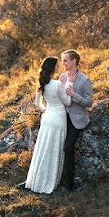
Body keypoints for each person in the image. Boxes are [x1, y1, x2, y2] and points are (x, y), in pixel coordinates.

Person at [24, 57, 72, 194]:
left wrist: (47, 110)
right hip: (58, 118)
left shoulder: (42, 83)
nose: (59, 67)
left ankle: (36, 180)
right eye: (57, 65)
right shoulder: (58, 85)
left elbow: (38, 104)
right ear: (53, 68)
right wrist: (69, 89)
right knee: (55, 149)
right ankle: (50, 181)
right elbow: (67, 102)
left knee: (44, 148)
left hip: (47, 117)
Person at [58, 49, 93, 191]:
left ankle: (69, 185)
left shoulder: (84, 80)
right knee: (58, 147)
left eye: (65, 60)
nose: (63, 63)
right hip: (61, 117)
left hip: (76, 120)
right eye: (62, 60)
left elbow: (89, 102)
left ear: (74, 61)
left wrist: (74, 95)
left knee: (68, 148)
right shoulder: (61, 77)